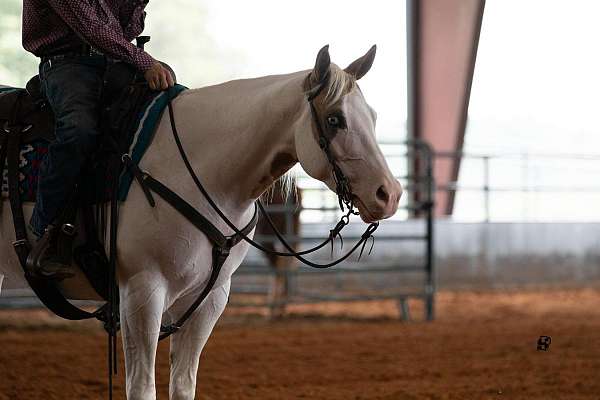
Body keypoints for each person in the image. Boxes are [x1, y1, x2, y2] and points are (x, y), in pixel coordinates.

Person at [22, 0, 174, 280]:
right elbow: (92, 28)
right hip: (66, 65)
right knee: (78, 130)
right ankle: (47, 228)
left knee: (168, 108)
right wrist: (145, 61)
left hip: (112, 63)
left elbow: (126, 29)